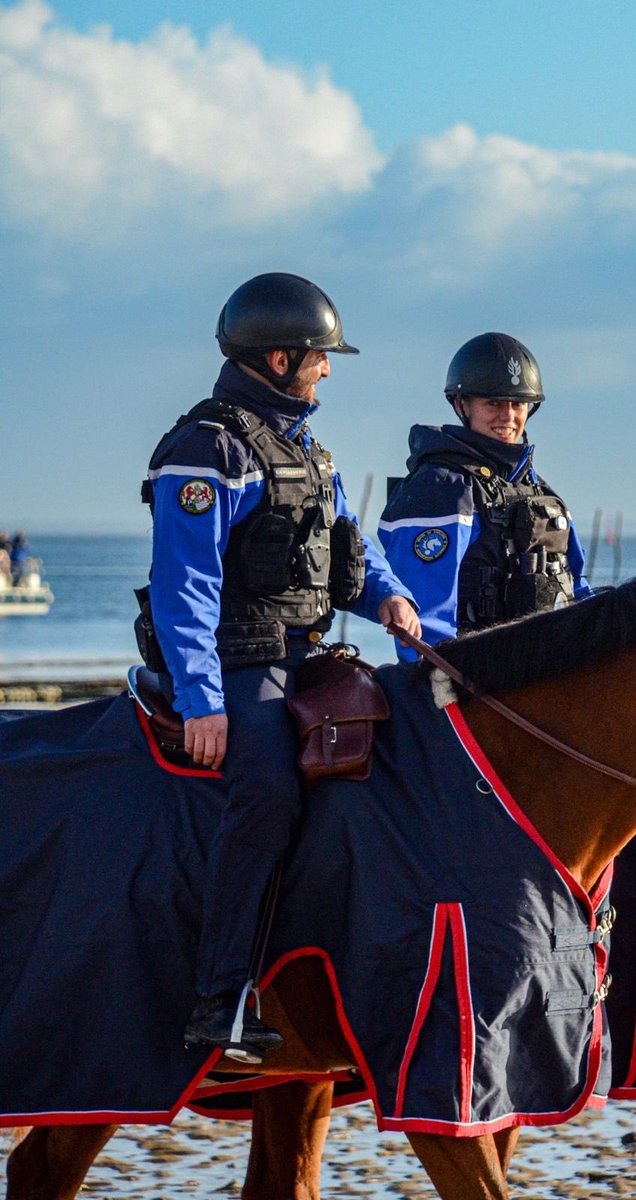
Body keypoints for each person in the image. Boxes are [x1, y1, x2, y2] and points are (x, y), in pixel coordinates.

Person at [137, 272, 420, 1060]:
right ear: (279, 355)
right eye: (320, 356)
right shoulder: (206, 448)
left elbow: (348, 558)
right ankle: (219, 998)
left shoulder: (309, 452)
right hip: (235, 661)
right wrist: (202, 702)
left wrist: (393, 603)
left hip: (304, 654)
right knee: (266, 791)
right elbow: (183, 585)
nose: (327, 369)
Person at [378, 331, 590, 659]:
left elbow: (577, 587)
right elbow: (425, 623)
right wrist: (443, 688)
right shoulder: (441, 487)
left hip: (547, 674)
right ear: (462, 405)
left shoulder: (540, 491)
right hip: (475, 683)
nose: (508, 415)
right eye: (493, 402)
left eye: (518, 403)